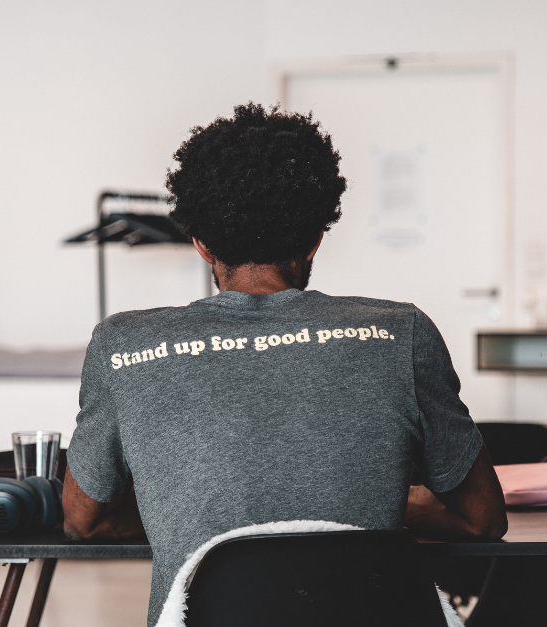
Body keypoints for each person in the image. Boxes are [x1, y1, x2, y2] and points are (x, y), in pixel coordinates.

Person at [62, 102, 507, 625]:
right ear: (317, 235)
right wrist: (366, 500)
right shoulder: (401, 332)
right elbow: (482, 519)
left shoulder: (123, 344)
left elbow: (83, 521)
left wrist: (190, 506)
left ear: (201, 244)